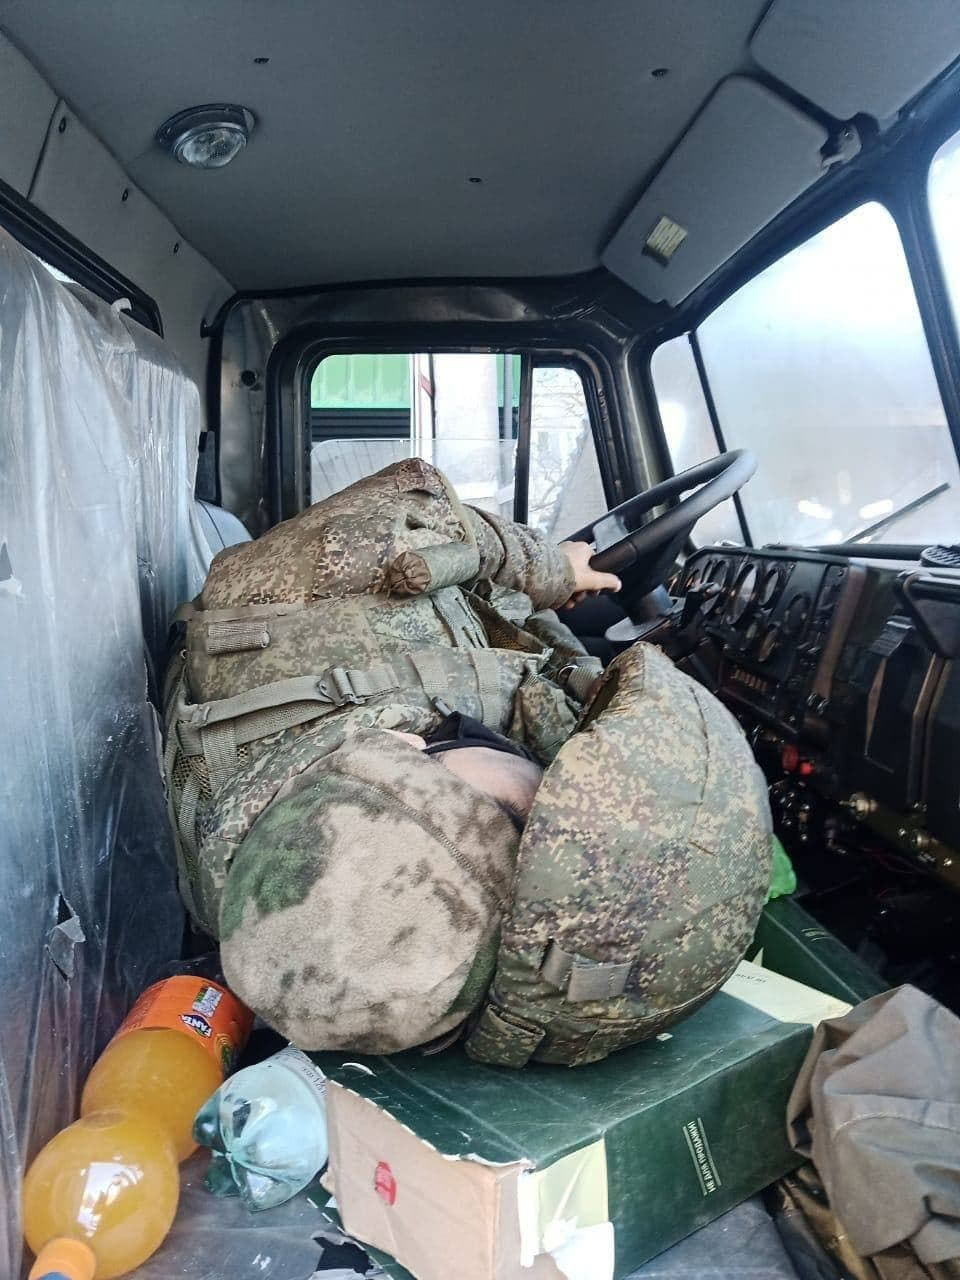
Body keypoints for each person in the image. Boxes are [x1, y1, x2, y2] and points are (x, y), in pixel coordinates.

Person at [164, 459, 771, 1062]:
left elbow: (405, 508)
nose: (548, 795)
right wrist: (549, 581)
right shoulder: (371, 913)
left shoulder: (282, 592)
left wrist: (553, 573)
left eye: (528, 815)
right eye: (532, 820)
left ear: (403, 752)